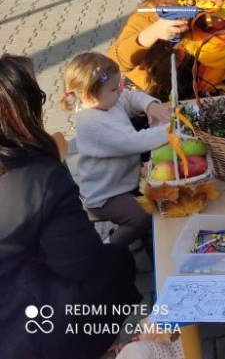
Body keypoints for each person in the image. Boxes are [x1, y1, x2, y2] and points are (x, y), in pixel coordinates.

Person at [0, 54, 142, 359]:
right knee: (116, 264)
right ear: (23, 111)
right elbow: (80, 266)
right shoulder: (39, 178)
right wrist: (55, 165)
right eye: (37, 97)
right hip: (23, 329)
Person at [61, 53, 169, 247]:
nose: (120, 92)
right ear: (89, 96)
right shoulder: (92, 123)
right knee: (141, 218)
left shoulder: (106, 101)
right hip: (106, 195)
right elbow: (133, 142)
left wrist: (149, 104)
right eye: (113, 89)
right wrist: (170, 131)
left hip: (126, 181)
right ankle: (109, 246)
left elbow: (130, 96)